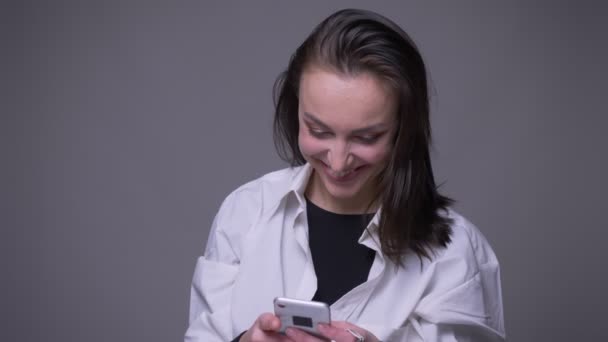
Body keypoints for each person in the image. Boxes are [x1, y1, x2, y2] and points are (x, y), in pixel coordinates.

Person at [185, 8, 505, 342]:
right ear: (295, 113)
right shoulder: (244, 213)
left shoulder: (454, 252)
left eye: (366, 138)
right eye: (318, 130)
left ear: (403, 130)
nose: (338, 163)